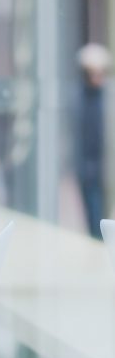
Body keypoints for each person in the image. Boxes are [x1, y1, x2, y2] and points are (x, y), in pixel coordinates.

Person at [77, 43, 110, 239]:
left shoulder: (108, 97)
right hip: (87, 167)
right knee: (93, 218)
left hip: (105, 166)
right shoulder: (78, 98)